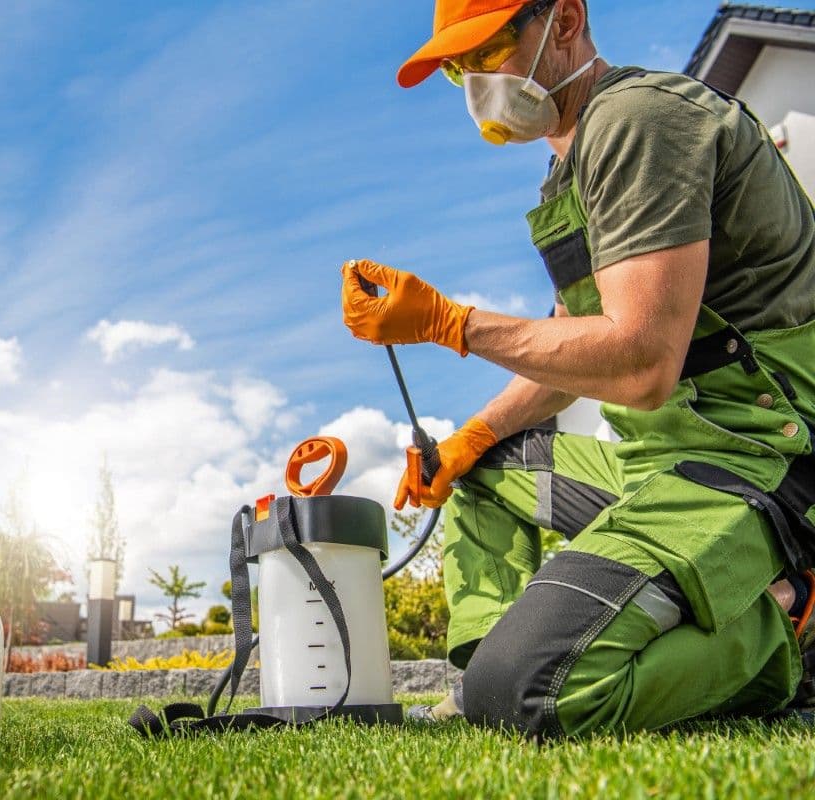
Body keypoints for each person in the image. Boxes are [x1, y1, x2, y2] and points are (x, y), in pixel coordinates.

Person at [341, 0, 815, 737]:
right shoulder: (570, 171)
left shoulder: (639, 122)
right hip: (663, 460)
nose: (475, 86)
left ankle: (792, 627)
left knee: (535, 694)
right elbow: (575, 345)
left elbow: (641, 363)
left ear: (563, 21)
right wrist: (470, 437)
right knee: (484, 472)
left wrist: (450, 325)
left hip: (761, 458)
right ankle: (483, 681)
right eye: (458, 71)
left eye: (488, 52)